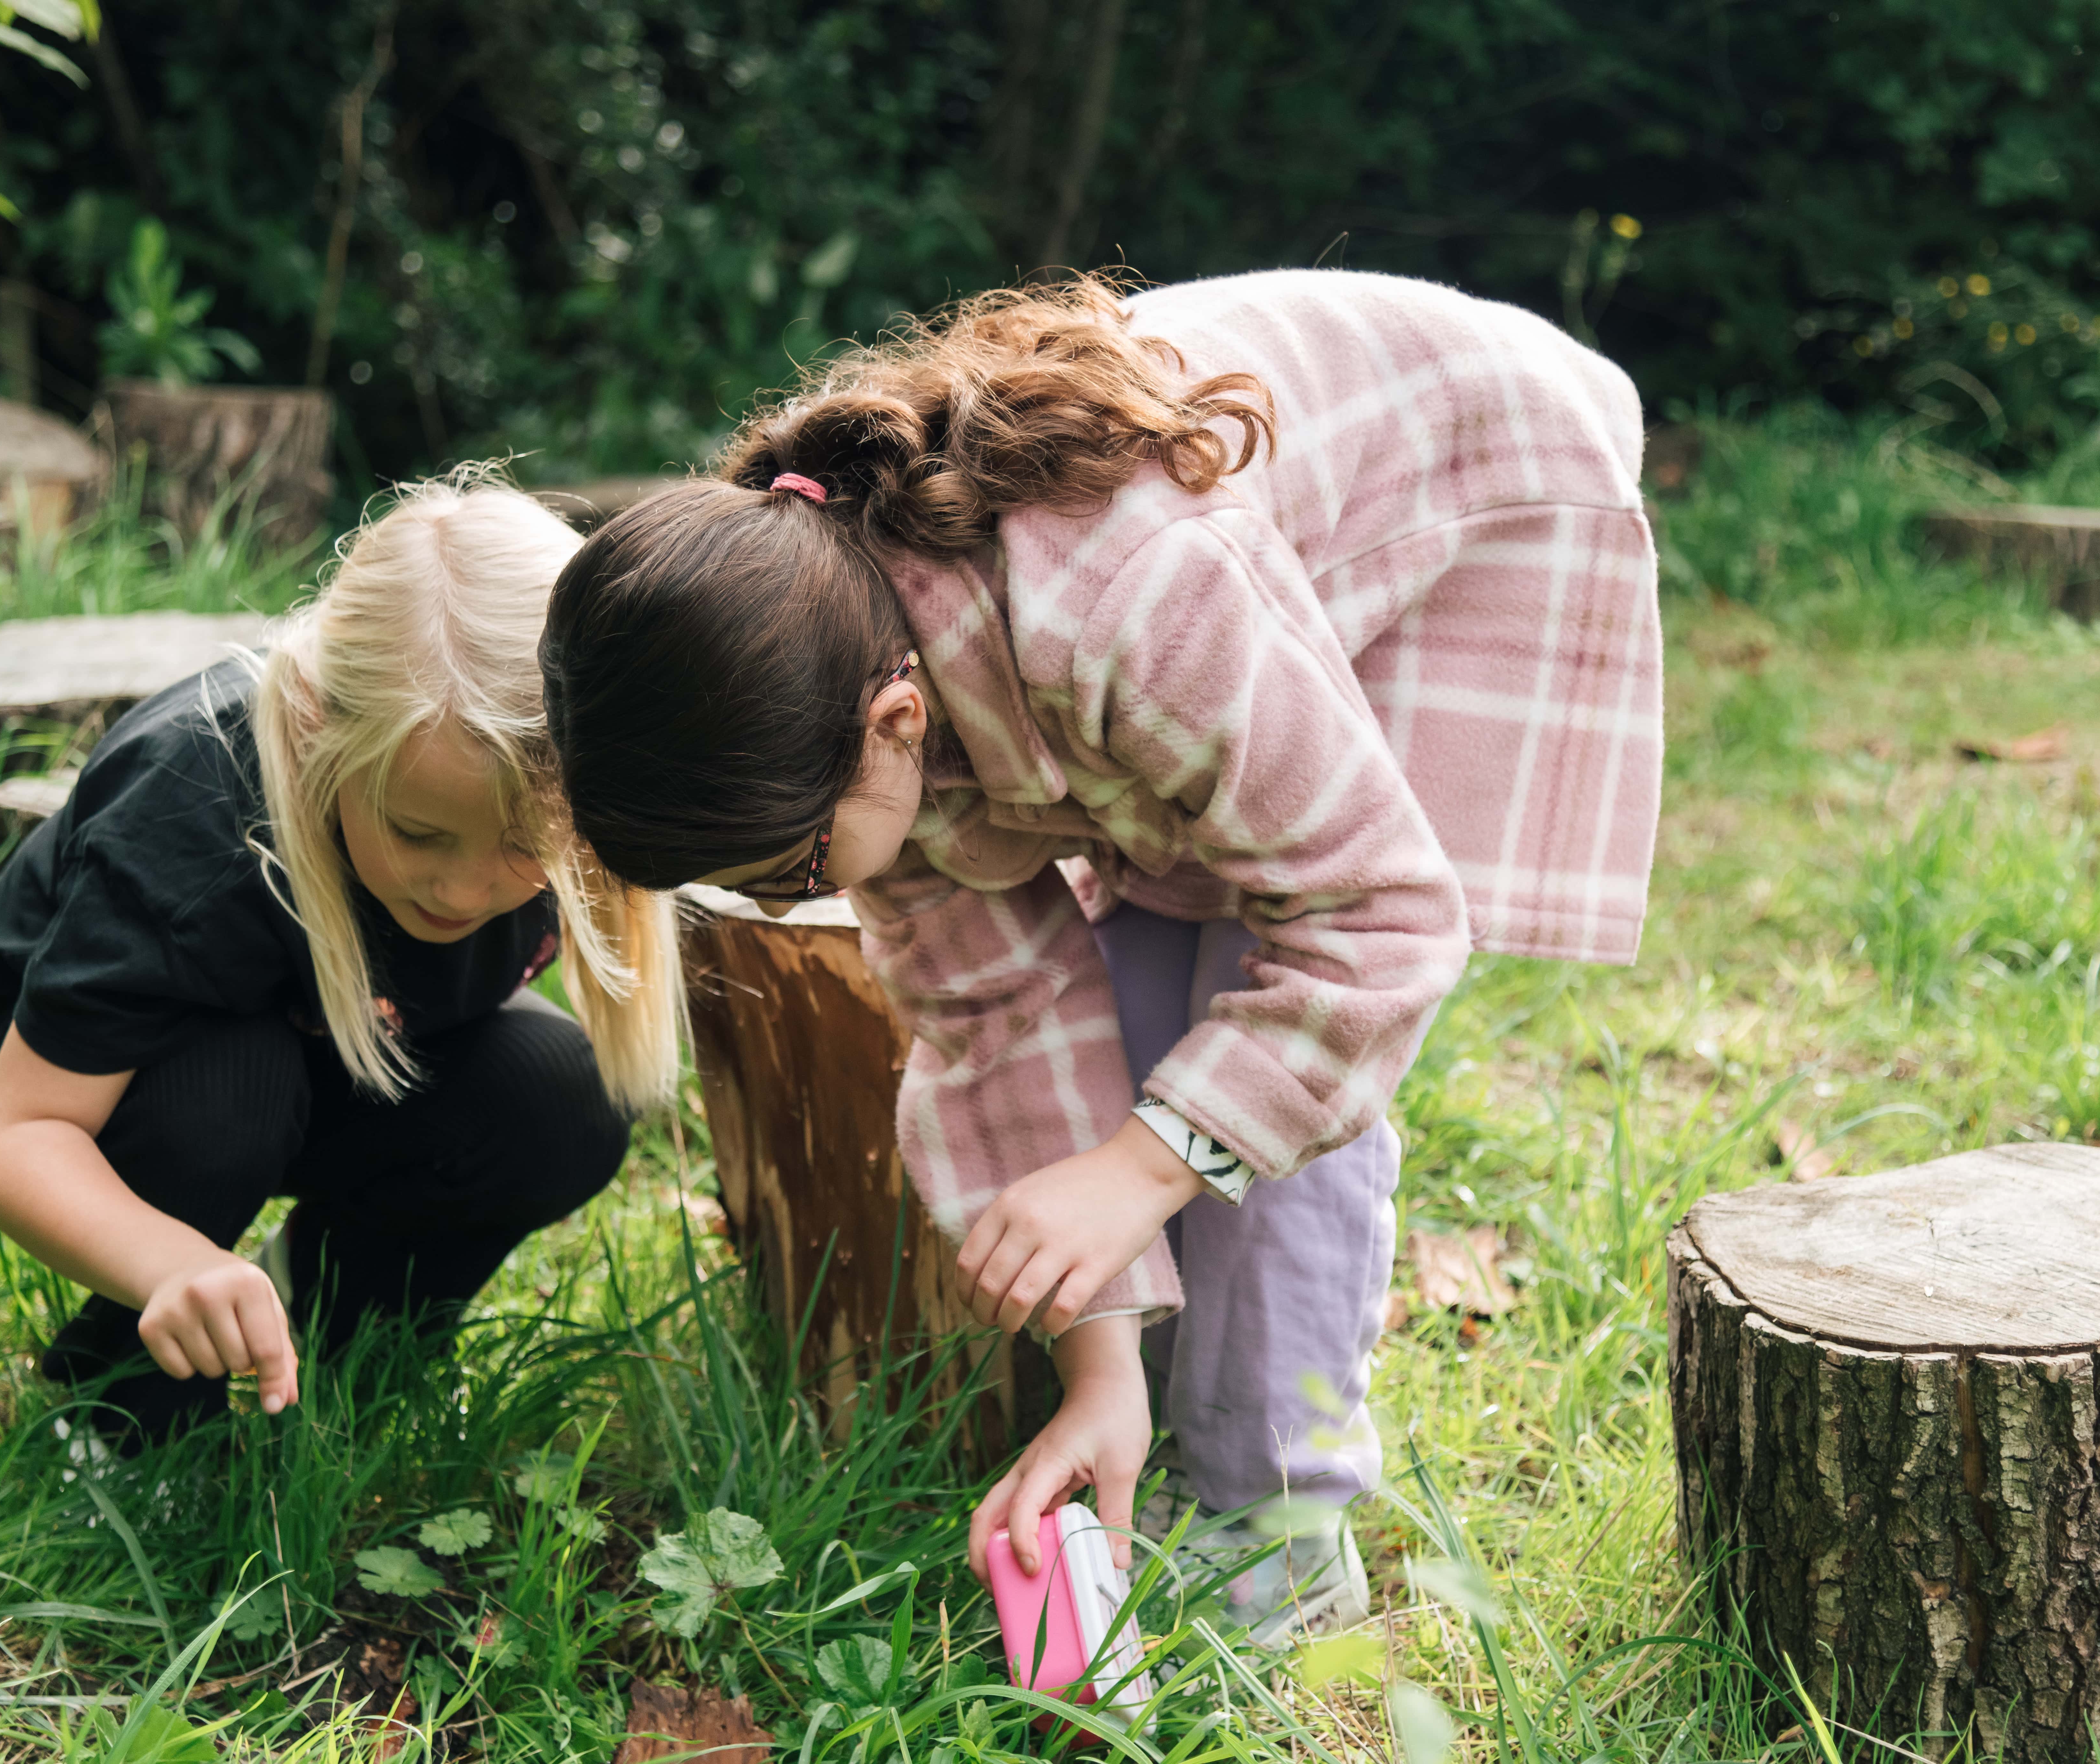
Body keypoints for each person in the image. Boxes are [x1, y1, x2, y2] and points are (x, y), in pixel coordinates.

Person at [539, 269, 1662, 1640]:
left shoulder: (1132, 594)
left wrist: (1141, 1167)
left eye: (787, 867)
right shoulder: (848, 665)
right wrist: (1100, 1370)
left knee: (1266, 1065)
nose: (785, 905)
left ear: (895, 722)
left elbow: (1370, 920)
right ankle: (1165, 1434)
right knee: (1153, 1022)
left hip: (1463, 486)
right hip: (1184, 616)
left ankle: (1276, 1528)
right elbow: (1004, 1015)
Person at [0, 470, 681, 1445]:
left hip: (341, 1038)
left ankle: (338, 1336)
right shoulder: (193, 815)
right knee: (232, 1093)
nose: (463, 891)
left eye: (524, 849)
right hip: (102, 1077)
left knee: (561, 1097)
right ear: (313, 728)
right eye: (418, 834)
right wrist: (169, 1261)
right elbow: (15, 1140)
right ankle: (121, 1406)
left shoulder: (559, 820)